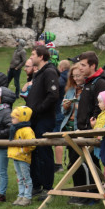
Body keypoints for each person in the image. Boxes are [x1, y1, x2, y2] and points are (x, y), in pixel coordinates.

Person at [67, 51, 105, 205]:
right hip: (82, 130)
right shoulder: (88, 82)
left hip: (90, 131)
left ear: (93, 66)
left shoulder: (100, 83)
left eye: (83, 65)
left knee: (84, 163)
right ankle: (82, 192)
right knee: (77, 161)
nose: (80, 69)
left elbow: (102, 107)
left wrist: (94, 124)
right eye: (79, 65)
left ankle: (88, 194)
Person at [24, 46, 61, 197]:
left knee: (44, 151)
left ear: (41, 57)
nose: (31, 57)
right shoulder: (38, 73)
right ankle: (36, 185)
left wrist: (37, 108)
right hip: (34, 119)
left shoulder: (49, 72)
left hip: (44, 119)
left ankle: (47, 186)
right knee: (34, 151)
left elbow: (53, 95)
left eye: (33, 54)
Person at [8, 106, 36, 206]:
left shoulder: (27, 130)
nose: (12, 120)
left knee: (25, 178)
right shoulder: (15, 129)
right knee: (19, 178)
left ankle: (27, 197)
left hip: (23, 158)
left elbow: (32, 144)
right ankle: (21, 195)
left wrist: (23, 151)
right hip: (16, 157)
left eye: (14, 118)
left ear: (21, 118)